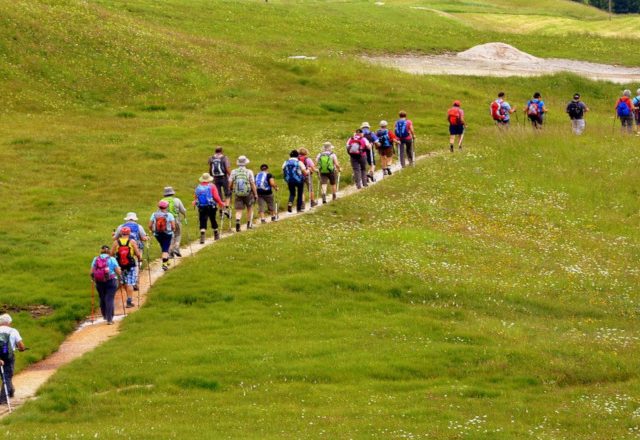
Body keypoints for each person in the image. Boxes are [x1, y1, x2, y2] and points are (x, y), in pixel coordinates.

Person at [113, 212, 149, 291]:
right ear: (135, 219)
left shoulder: (121, 227)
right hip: (137, 247)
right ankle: (134, 283)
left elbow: (115, 238)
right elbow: (143, 238)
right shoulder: (139, 226)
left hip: (122, 248)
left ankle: (122, 281)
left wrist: (113, 235)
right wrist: (147, 238)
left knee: (122, 262)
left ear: (127, 219)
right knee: (135, 265)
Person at [90, 245, 122, 324]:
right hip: (111, 280)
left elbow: (91, 272)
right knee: (109, 298)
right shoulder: (112, 259)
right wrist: (120, 274)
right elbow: (118, 271)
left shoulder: (96, 259)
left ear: (101, 251)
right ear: (109, 251)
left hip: (99, 281)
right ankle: (109, 319)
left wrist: (93, 279)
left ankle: (104, 315)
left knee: (102, 298)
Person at [111, 226, 142, 307]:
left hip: (119, 266)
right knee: (130, 283)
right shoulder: (132, 241)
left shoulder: (116, 242)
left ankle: (128, 295)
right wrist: (139, 259)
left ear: (121, 233)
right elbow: (137, 254)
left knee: (124, 282)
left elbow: (111, 254)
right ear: (129, 233)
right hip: (130, 265)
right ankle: (129, 301)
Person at [0, 314, 26, 404]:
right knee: (7, 376)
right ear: (9, 322)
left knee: (5, 376)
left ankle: (11, 390)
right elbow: (21, 346)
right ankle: (3, 399)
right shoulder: (13, 331)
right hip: (8, 356)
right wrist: (22, 349)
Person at [194, 173, 225, 243]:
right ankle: (216, 234)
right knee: (213, 219)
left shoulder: (198, 187)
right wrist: (220, 203)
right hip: (211, 206)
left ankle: (202, 236)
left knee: (202, 220)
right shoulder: (212, 186)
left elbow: (196, 197)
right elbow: (216, 197)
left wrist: (195, 202)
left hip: (202, 206)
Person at [230, 156, 258, 232]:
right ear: (245, 163)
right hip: (248, 193)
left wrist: (231, 189)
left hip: (238, 193)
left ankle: (238, 221)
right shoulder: (249, 171)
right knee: (250, 208)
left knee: (239, 210)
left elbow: (230, 183)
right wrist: (255, 194)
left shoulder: (234, 171)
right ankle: (249, 224)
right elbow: (252, 183)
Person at [149, 200, 176, 271]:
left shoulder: (154, 214)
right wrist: (173, 230)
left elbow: (150, 225)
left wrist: (152, 231)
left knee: (164, 247)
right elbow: (173, 226)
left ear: (159, 207)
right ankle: (164, 264)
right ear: (167, 207)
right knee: (165, 248)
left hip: (157, 234)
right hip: (168, 234)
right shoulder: (169, 215)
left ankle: (167, 260)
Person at [161, 187, 187, 257]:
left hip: (166, 221)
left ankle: (170, 252)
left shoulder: (162, 201)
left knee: (170, 235)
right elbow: (183, 210)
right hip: (176, 220)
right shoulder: (177, 200)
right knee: (178, 234)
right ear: (172, 193)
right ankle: (176, 248)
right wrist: (184, 214)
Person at [207, 147, 231, 217]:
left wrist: (211, 176)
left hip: (215, 178)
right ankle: (226, 208)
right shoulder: (225, 158)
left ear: (215, 151)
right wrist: (231, 176)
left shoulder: (211, 158)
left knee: (218, 195)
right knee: (228, 193)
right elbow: (227, 168)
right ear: (222, 151)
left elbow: (210, 168)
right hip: (224, 177)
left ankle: (221, 209)